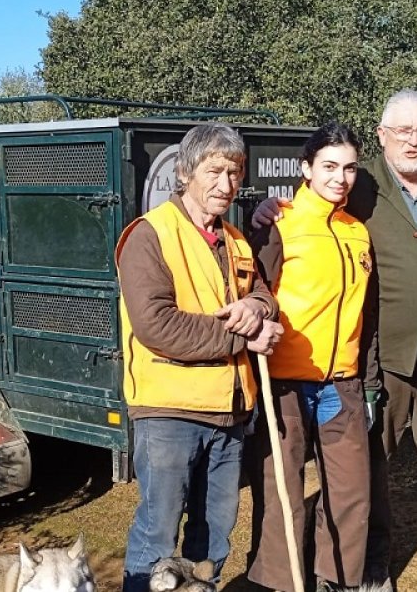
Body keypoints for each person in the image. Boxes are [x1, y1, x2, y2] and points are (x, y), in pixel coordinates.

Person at [253, 90, 417, 592]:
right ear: (383, 135)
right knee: (368, 471)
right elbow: (309, 206)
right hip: (380, 356)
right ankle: (371, 569)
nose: (414, 141)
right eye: (403, 131)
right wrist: (270, 207)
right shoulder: (362, 186)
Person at [117, 122, 284, 592]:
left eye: (234, 173)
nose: (226, 184)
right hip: (169, 413)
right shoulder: (149, 236)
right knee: (157, 540)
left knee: (212, 542)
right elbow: (157, 326)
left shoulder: (233, 239)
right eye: (215, 171)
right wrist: (242, 339)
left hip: (229, 415)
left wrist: (257, 306)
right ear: (186, 171)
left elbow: (264, 294)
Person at [245, 123, 381, 592]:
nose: (340, 177)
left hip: (341, 382)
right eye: (329, 166)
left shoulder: (357, 232)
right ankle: (280, 583)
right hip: (284, 382)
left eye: (348, 168)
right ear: (306, 168)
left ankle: (336, 580)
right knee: (282, 494)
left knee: (349, 495)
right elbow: (254, 292)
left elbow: (368, 309)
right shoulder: (277, 223)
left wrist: (366, 375)